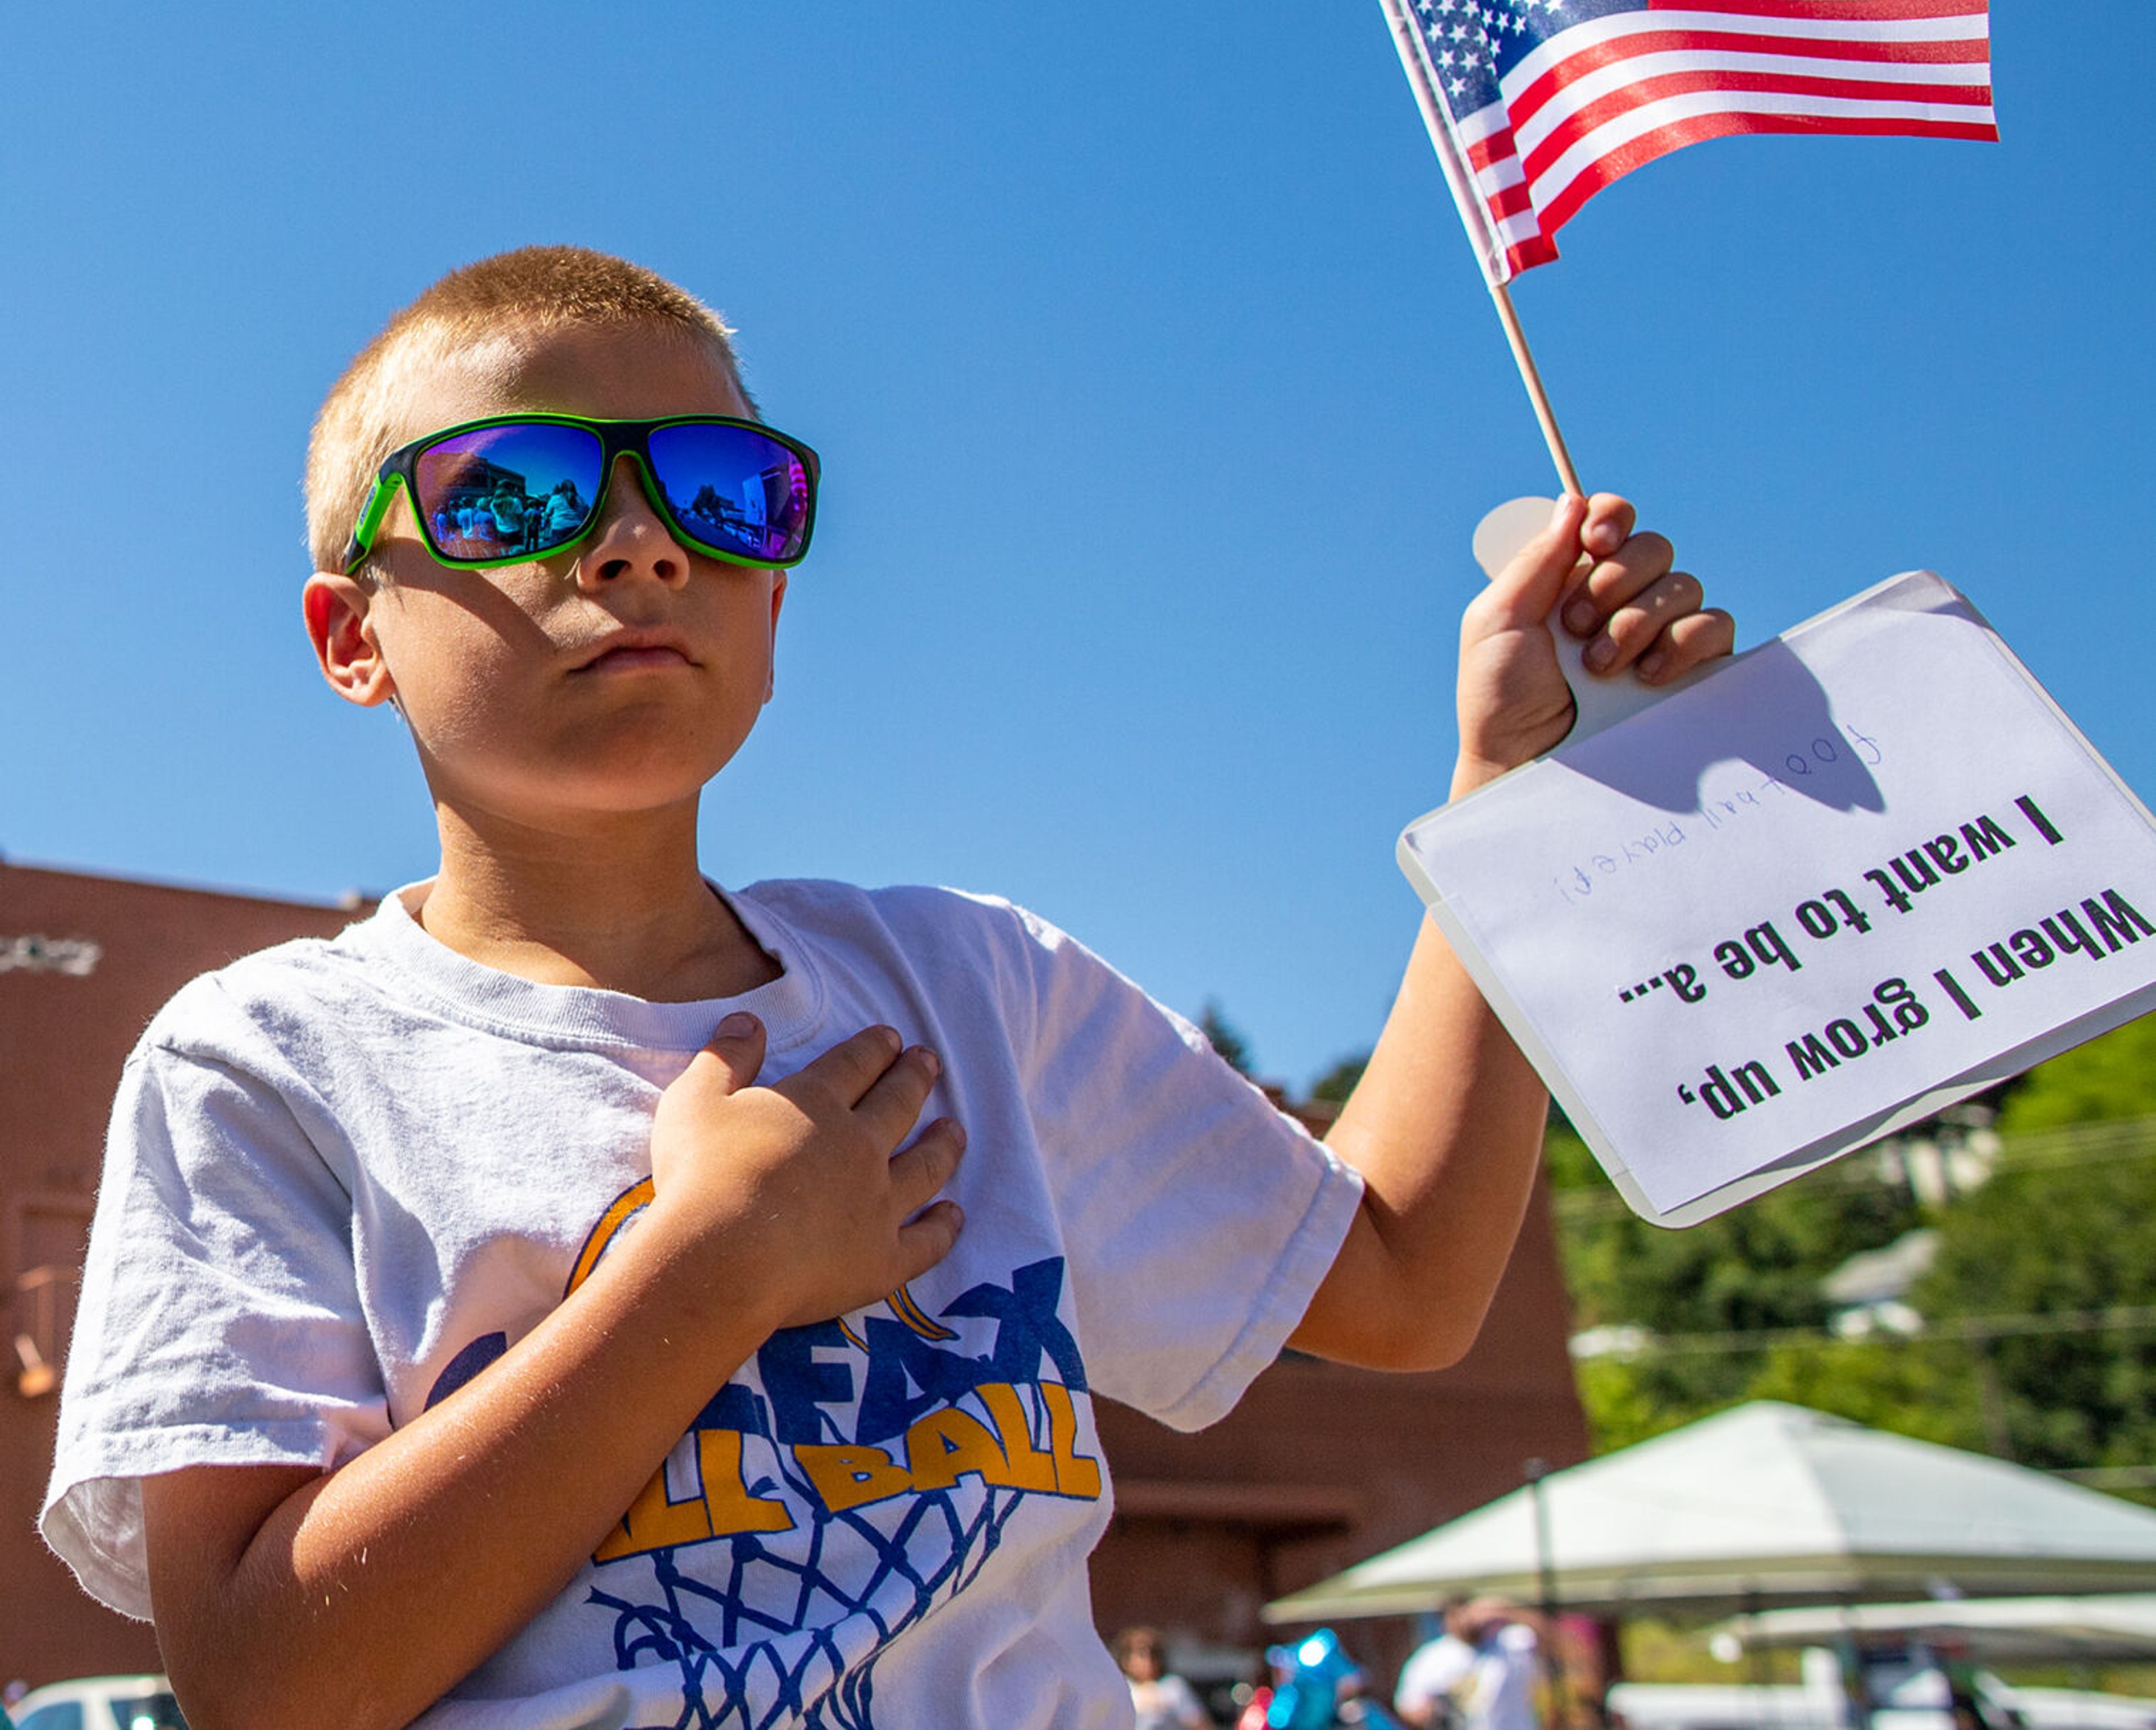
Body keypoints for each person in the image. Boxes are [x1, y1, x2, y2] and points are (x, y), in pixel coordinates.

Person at [39, 246, 1730, 1729]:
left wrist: (1512, 796)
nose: (636, 545)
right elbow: (263, 1685)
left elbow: (1401, 1279)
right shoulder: (268, 1060)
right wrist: (707, 1273)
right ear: (354, 638)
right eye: (510, 493)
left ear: (775, 593)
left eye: (722, 492)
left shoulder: (968, 985)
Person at [1395, 1598, 1549, 1730]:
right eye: (1456, 1615)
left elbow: (1554, 1640)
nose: (1465, 1621)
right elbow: (1408, 1705)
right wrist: (1430, 1713)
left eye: (1467, 1612)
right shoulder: (1431, 1657)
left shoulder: (1509, 1642)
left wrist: (1507, 1612)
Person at [1114, 1626, 1212, 1729]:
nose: (1148, 1661)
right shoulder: (1120, 1689)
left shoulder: (1173, 1687)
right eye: (1141, 1655)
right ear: (1126, 1660)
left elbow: (1197, 1723)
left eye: (1153, 1654)